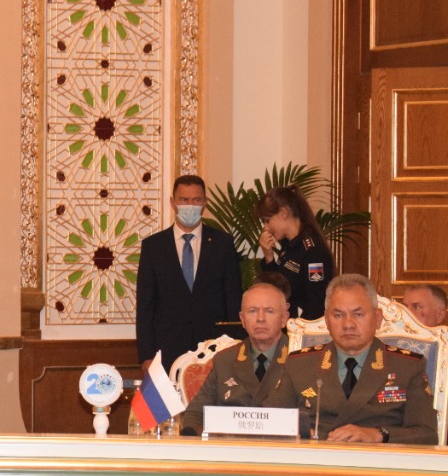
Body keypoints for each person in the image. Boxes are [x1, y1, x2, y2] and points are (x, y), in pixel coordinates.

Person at [264, 274, 436, 444]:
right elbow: (269, 420)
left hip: (377, 457)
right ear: (327, 320)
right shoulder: (300, 364)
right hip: (316, 456)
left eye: (358, 314)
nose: (348, 324)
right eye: (338, 315)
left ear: (377, 318)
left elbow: (427, 434)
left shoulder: (407, 366)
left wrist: (378, 434)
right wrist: (298, 432)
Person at [135, 174, 242, 371]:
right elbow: (145, 306)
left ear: (205, 203)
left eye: (196, 200)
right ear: (173, 202)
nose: (190, 205)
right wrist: (146, 356)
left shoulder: (223, 243)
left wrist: (234, 348)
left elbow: (233, 298)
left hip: (214, 349)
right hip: (166, 350)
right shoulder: (153, 247)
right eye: (184, 200)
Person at [180, 275, 292, 436]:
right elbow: (196, 413)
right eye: (252, 311)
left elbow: (315, 418)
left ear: (284, 318)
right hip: (230, 447)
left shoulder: (301, 360)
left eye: (269, 311)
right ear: (242, 319)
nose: (260, 319)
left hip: (282, 449)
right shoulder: (224, 360)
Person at [257, 185, 335, 319]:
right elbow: (277, 289)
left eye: (267, 220)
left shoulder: (312, 251)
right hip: (286, 325)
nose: (266, 228)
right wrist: (269, 258)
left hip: (303, 328)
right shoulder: (288, 245)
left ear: (284, 213)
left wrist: (299, 329)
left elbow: (316, 305)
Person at [402, 283, 448, 430]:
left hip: (442, 430)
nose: (407, 314)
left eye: (416, 307)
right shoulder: (387, 350)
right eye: (404, 308)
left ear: (440, 315)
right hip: (394, 430)